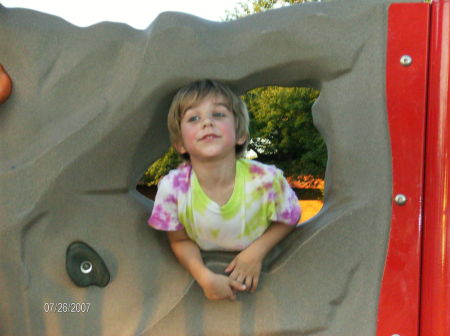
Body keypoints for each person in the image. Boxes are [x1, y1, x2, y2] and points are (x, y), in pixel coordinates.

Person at [148, 79, 301, 301]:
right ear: (180, 143)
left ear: (240, 134)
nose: (207, 123)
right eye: (194, 118)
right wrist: (203, 277)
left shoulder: (266, 180)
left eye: (218, 114)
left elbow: (289, 217)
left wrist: (256, 253)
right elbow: (179, 241)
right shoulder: (173, 189)